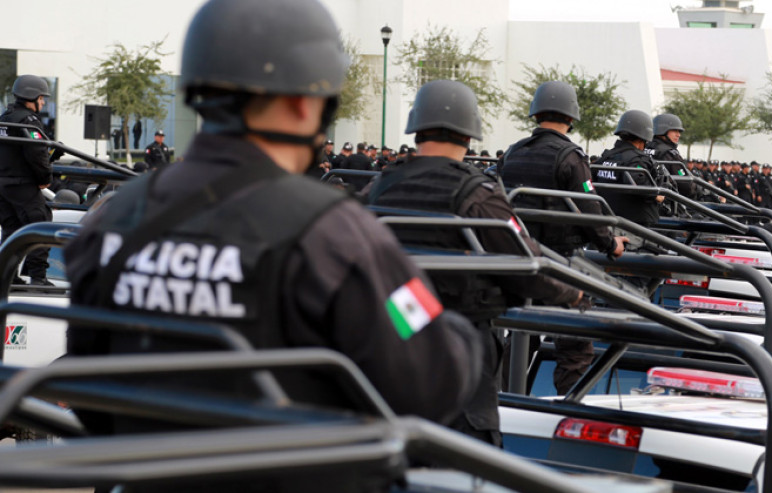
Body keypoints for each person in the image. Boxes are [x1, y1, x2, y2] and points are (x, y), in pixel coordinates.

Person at [64, 0, 481, 463]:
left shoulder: (112, 216)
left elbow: (90, 391)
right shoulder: (335, 233)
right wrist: (461, 336)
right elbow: (428, 381)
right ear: (306, 103)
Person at [367, 79, 587, 446]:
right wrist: (574, 294)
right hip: (458, 343)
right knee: (470, 452)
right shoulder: (477, 195)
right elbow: (526, 267)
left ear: (416, 128)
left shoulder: (381, 185)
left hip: (394, 330)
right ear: (470, 135)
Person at [499, 80, 627, 255]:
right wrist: (610, 244)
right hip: (557, 256)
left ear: (535, 114)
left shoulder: (512, 152)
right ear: (571, 116)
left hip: (515, 246)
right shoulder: (572, 157)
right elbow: (589, 207)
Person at [0, 74, 55, 286]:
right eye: (41, 98)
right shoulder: (29, 121)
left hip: (3, 185)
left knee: (12, 229)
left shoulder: (4, 118)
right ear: (32, 97)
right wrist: (45, 179)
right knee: (41, 224)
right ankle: (38, 278)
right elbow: (37, 153)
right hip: (21, 184)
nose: (42, 103)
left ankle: (8, 276)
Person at [592, 109, 666, 228]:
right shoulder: (638, 159)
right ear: (644, 137)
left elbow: (589, 182)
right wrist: (657, 195)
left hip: (607, 221)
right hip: (635, 227)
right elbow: (637, 181)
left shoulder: (606, 157)